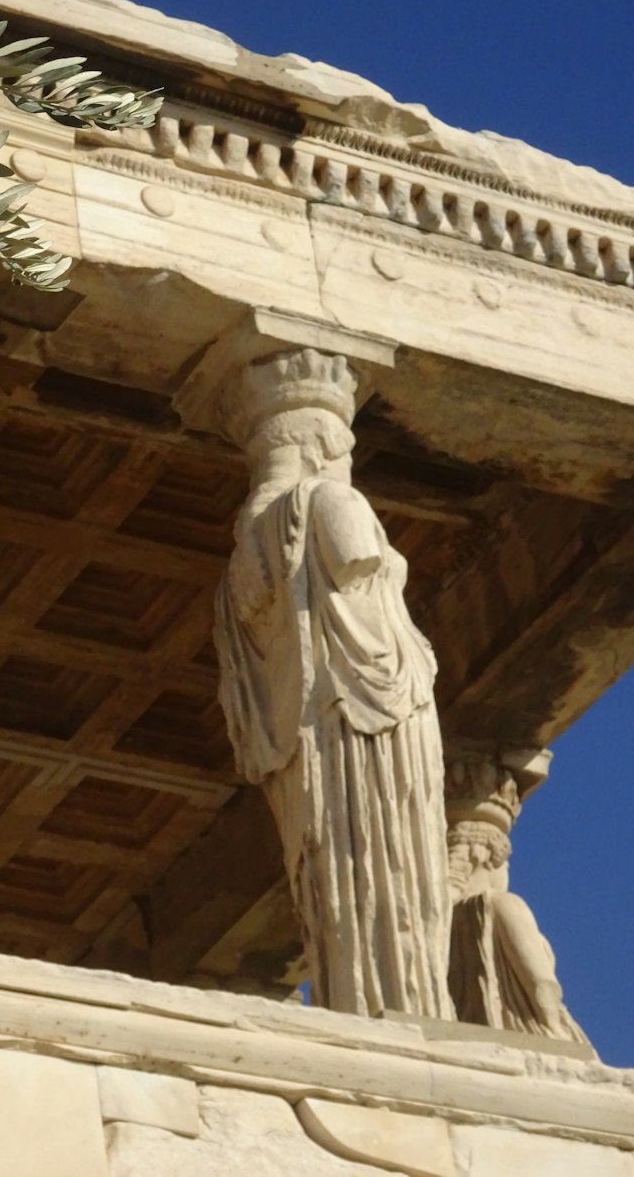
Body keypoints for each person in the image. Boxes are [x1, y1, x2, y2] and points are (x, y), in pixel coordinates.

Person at [215, 350, 452, 1018]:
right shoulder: (332, 499)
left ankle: (363, 997)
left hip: (308, 743)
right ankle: (405, 1008)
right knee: (399, 870)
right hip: (373, 718)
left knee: (336, 868)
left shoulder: (240, 561)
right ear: (325, 442)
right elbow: (358, 557)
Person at [447, 819, 589, 1044]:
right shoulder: (503, 903)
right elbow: (539, 980)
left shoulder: (442, 918)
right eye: (506, 865)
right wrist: (556, 1028)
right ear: (485, 859)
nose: (507, 872)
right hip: (527, 1032)